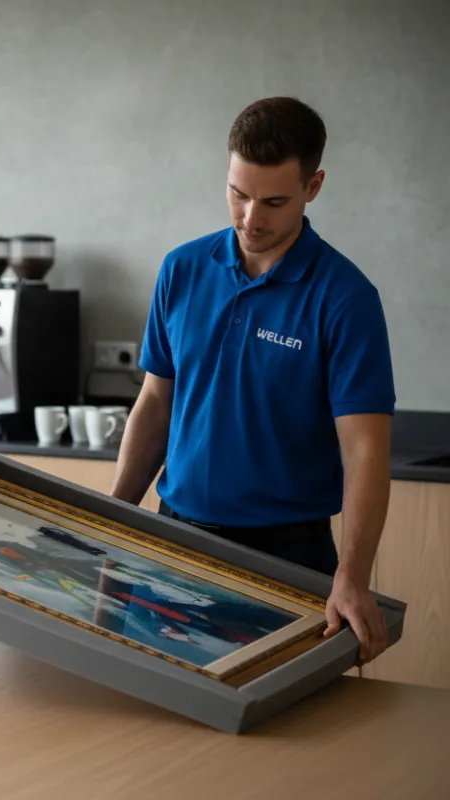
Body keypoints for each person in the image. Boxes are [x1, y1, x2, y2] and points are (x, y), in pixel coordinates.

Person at [110, 96, 395, 665]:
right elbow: (155, 404)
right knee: (166, 725)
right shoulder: (181, 269)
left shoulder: (346, 298)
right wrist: (113, 518)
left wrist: (353, 577)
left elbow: (365, 451)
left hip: (287, 553)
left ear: (313, 187)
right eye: (238, 194)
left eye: (273, 201)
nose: (250, 218)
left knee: (287, 734)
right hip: (178, 538)